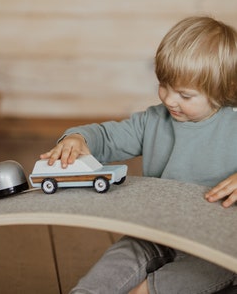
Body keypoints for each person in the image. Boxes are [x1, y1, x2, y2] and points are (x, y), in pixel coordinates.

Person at [40, 16, 237, 294]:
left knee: (219, 264)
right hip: (158, 232)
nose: (169, 99)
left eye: (185, 94)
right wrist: (78, 138)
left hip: (217, 242)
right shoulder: (154, 121)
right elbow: (108, 136)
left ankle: (146, 291)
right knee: (122, 255)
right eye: (164, 85)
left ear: (225, 90)